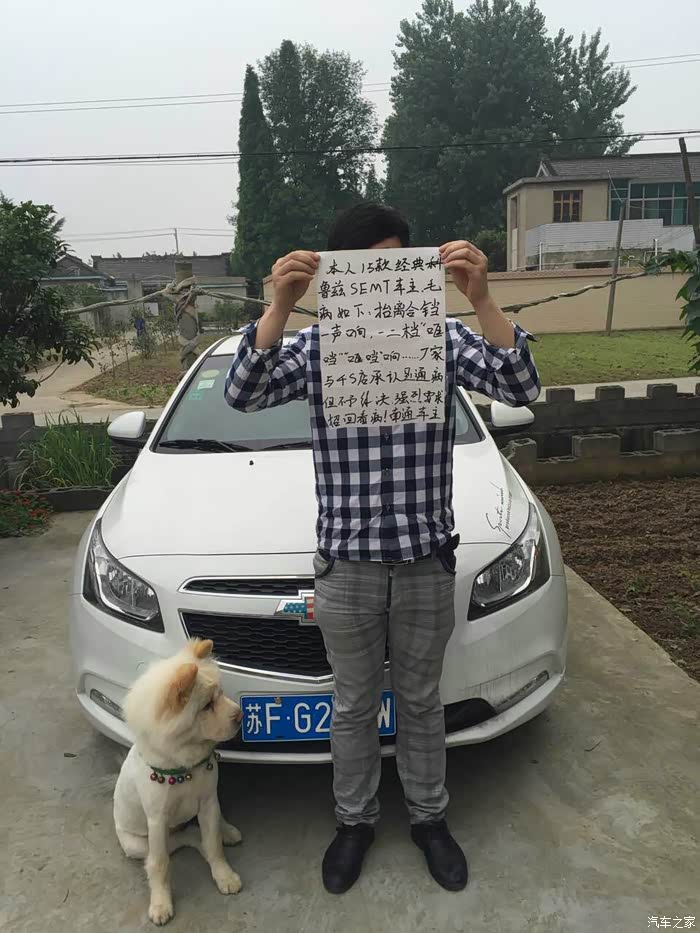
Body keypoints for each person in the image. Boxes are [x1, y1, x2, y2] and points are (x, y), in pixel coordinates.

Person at [223, 202, 540, 894]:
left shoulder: (441, 340)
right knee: (353, 703)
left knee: (421, 699)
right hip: (347, 566)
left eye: (396, 266)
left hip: (425, 559)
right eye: (366, 269)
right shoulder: (317, 348)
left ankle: (429, 818)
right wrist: (280, 306)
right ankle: (354, 821)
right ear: (338, 276)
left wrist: (483, 299)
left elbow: (521, 384)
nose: (382, 282)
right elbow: (242, 393)